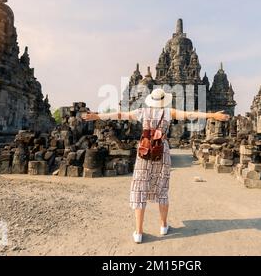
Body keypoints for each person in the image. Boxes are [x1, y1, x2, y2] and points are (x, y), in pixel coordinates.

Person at [83, 88, 229, 243]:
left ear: (151, 100)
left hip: (145, 151)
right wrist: (213, 115)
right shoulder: (168, 112)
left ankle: (139, 232)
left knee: (139, 188)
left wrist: (96, 116)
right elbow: (191, 114)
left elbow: (119, 115)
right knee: (162, 187)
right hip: (161, 151)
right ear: (164, 100)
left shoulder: (142, 112)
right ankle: (163, 225)